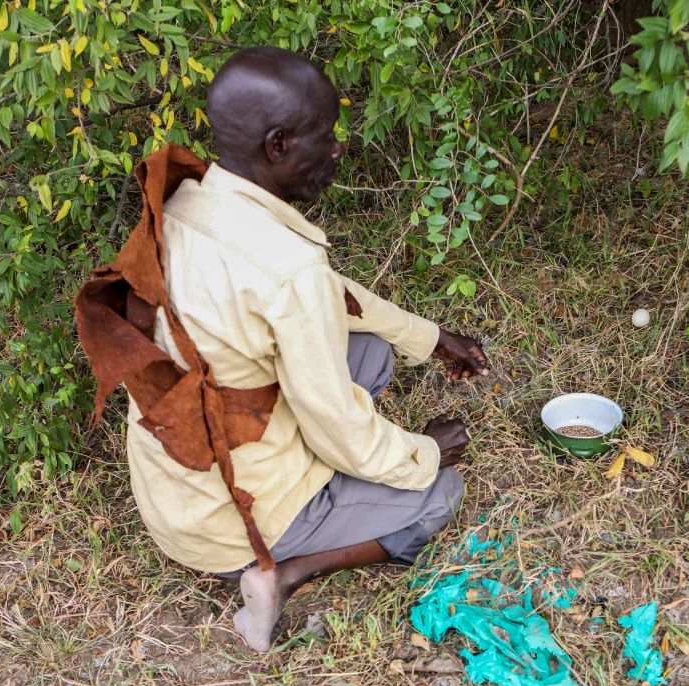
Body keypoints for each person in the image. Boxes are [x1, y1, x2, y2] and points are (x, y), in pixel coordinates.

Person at [125, 46, 489, 651]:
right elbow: (335, 427)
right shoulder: (288, 270)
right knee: (439, 495)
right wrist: (424, 451)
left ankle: (309, 516)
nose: (338, 148)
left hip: (174, 484)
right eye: (325, 134)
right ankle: (284, 574)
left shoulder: (188, 201)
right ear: (278, 145)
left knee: (372, 350)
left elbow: (325, 297)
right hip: (228, 525)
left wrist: (429, 337)